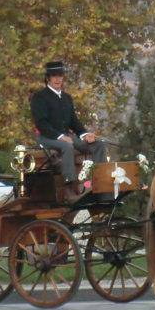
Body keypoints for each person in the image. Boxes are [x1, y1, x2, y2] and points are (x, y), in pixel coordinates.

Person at [30, 61, 107, 203]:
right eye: (54, 76)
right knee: (67, 146)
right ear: (48, 78)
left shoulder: (67, 98)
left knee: (98, 144)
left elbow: (74, 121)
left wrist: (85, 134)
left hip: (67, 136)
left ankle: (101, 183)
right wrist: (60, 137)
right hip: (46, 137)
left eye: (60, 76)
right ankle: (69, 188)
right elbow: (41, 123)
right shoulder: (39, 97)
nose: (58, 79)